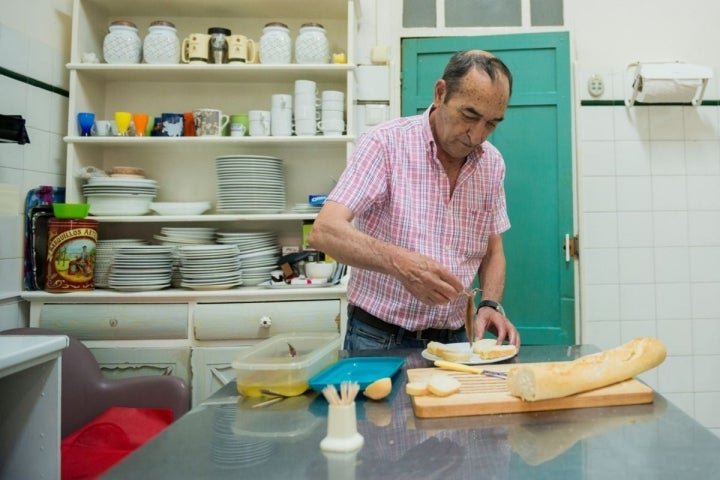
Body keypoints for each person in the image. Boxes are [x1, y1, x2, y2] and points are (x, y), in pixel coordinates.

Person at [308, 50, 521, 350]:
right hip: (378, 337)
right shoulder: (385, 144)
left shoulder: (492, 164)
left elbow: (493, 249)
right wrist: (401, 264)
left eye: (491, 124)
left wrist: (490, 304)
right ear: (440, 93)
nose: (476, 135)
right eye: (469, 116)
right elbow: (324, 231)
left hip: (456, 340)